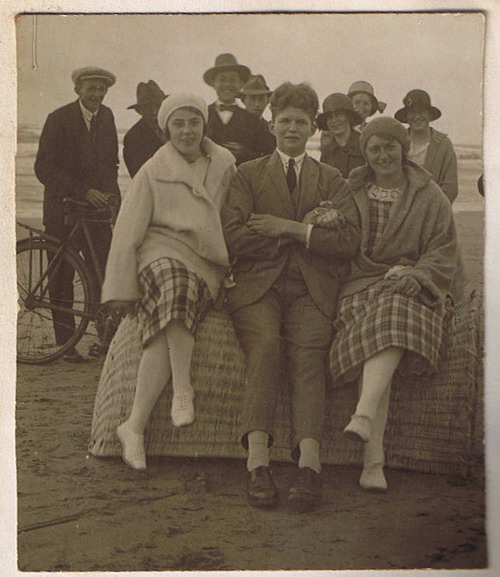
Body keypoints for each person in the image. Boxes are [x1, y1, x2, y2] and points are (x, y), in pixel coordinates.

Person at [221, 82, 361, 512]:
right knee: (264, 345)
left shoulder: (332, 178)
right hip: (257, 286)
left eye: (301, 122)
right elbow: (232, 237)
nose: (292, 129)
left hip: (311, 288)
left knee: (308, 354)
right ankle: (258, 460)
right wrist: (306, 236)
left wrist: (288, 228)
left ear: (312, 128)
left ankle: (310, 465)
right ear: (272, 123)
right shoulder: (247, 173)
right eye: (285, 121)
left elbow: (350, 240)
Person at [327, 117, 466, 492]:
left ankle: (369, 438)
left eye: (390, 146)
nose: (383, 154)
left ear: (403, 149)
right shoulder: (350, 189)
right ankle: (371, 449)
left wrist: (416, 274)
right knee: (385, 325)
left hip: (413, 285)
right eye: (375, 148)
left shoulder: (429, 193)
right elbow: (331, 231)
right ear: (365, 153)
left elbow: (443, 249)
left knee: (393, 315)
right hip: (360, 284)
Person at [100, 94, 236, 471]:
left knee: (167, 323)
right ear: (166, 129)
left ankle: (134, 426)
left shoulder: (225, 163)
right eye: (179, 124)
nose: (187, 131)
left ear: (204, 125)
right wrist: (120, 290)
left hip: (206, 261)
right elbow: (128, 230)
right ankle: (182, 390)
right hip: (159, 251)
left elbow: (236, 214)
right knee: (176, 287)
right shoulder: (153, 170)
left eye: (194, 122)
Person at [34, 66, 120, 362]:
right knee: (61, 275)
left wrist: (111, 194)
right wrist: (82, 190)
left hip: (94, 211)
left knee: (105, 271)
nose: (96, 94)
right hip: (62, 210)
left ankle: (105, 339)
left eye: (101, 89)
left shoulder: (106, 117)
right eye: (91, 89)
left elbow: (111, 163)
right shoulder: (58, 119)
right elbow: (43, 167)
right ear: (78, 90)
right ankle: (66, 343)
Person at [204, 53, 275, 164]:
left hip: (242, 180)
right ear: (213, 83)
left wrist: (245, 154)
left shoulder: (255, 122)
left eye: (232, 80)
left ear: (241, 83)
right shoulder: (202, 115)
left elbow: (269, 157)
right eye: (222, 80)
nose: (227, 84)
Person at [395, 89, 458, 203]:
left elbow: (450, 188)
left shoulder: (444, 144)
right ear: (407, 117)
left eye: (421, 112)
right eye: (412, 112)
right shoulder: (397, 142)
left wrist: (433, 212)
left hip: (434, 211)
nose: (417, 116)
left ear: (429, 115)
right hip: (400, 209)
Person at [123, 80, 168, 177]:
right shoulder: (133, 138)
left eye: (157, 106)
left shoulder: (175, 128)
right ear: (139, 111)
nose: (154, 112)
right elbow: (139, 177)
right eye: (148, 108)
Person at [317, 93, 365, 178]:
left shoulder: (365, 144)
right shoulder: (327, 151)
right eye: (330, 117)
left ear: (349, 117)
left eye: (339, 115)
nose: (334, 120)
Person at [238, 73, 276, 151]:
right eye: (252, 99)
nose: (257, 104)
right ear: (243, 100)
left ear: (268, 101)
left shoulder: (271, 130)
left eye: (261, 99)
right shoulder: (233, 125)